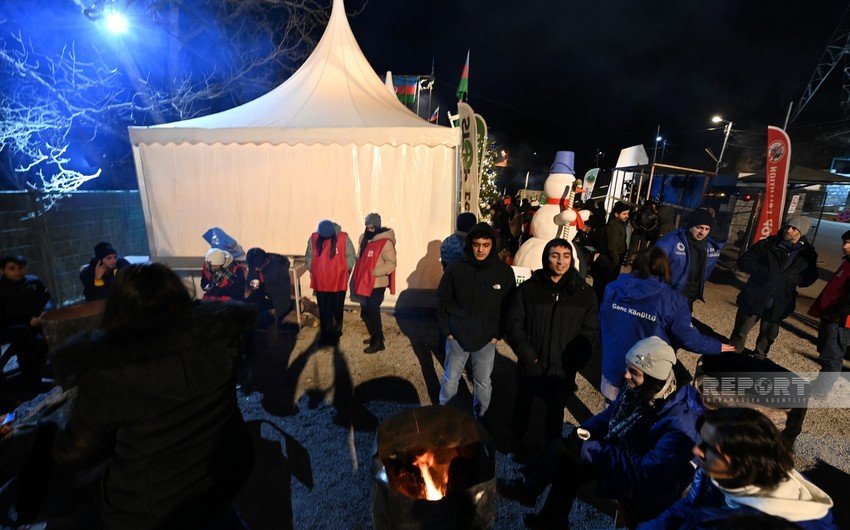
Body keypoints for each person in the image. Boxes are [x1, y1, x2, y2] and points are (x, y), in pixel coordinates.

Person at [53, 263, 256, 529]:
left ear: (119, 309)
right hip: (220, 481)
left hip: (151, 509)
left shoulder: (108, 373)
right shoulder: (219, 341)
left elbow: (75, 453)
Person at [498, 337, 704, 529]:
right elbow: (611, 414)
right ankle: (545, 512)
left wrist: (590, 449)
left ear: (653, 378)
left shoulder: (679, 422)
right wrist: (585, 431)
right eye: (628, 368)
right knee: (565, 452)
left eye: (634, 372)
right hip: (624, 453)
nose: (626, 375)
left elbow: (644, 473)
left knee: (570, 456)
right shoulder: (642, 390)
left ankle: (531, 494)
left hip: (648, 486)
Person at [641, 407, 836, 529]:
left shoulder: (780, 522)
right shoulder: (718, 472)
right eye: (702, 441)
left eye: (709, 448)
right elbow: (688, 506)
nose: (696, 450)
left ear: (744, 463)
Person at [599, 248, 734, 401]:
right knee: (642, 412)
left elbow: (602, 322)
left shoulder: (613, 287)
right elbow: (689, 339)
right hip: (645, 375)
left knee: (611, 408)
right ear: (665, 268)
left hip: (612, 368)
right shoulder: (671, 300)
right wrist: (716, 346)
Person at [506, 238, 598, 442]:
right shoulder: (528, 289)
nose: (561, 262)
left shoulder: (584, 294)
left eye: (566, 256)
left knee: (555, 413)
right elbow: (514, 325)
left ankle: (551, 449)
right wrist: (528, 356)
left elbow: (589, 331)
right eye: (555, 256)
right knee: (522, 406)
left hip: (562, 369)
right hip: (532, 363)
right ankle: (515, 444)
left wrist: (575, 360)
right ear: (546, 258)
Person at [437, 222, 515, 420]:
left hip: (486, 339)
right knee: (450, 379)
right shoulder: (456, 269)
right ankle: (446, 416)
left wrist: (498, 334)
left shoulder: (504, 272)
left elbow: (509, 307)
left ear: (492, 245)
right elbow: (442, 301)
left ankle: (480, 418)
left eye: (486, 245)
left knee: (483, 382)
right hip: (457, 336)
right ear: (470, 244)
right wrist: (448, 331)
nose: (481, 249)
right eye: (476, 244)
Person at [730, 216, 819, 359]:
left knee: (768, 336)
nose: (788, 230)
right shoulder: (768, 244)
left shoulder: (807, 254)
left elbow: (811, 275)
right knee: (740, 331)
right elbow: (744, 261)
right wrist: (764, 272)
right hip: (755, 296)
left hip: (780, 301)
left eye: (794, 228)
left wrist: (795, 279)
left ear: (801, 232)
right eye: (787, 227)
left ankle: (759, 359)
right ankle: (731, 357)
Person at [806, 230, 850, 397]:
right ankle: (820, 384)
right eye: (844, 242)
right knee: (827, 351)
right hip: (832, 316)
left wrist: (834, 314)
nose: (845, 246)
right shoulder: (847, 262)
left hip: (840, 320)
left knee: (832, 355)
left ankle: (820, 390)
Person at [654, 208, 725, 309]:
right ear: (691, 225)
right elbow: (653, 268)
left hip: (689, 298)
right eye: (699, 227)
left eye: (707, 229)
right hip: (667, 297)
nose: (702, 232)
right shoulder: (670, 241)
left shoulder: (710, 246)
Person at [0, 255, 55, 383]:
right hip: (11, 327)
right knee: (26, 338)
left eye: (20, 268)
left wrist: (45, 313)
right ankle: (33, 379)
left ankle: (49, 368)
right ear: (2, 271)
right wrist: (27, 321)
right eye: (12, 269)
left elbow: (47, 299)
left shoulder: (34, 281)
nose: (17, 272)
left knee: (44, 339)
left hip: (37, 321)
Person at [351, 213, 397, 353]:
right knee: (367, 312)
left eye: (372, 227)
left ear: (377, 226)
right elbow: (361, 258)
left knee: (373, 311)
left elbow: (391, 263)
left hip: (377, 283)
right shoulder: (365, 240)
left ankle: (378, 343)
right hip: (365, 281)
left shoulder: (385, 242)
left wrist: (374, 272)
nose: (369, 229)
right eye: (367, 227)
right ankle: (376, 336)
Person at [306, 220, 356, 345]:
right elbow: (309, 256)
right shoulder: (314, 238)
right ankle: (325, 333)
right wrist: (314, 269)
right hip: (321, 281)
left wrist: (344, 269)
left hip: (338, 280)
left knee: (337, 309)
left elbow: (351, 255)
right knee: (324, 309)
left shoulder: (343, 238)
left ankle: (336, 333)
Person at [591, 200, 629, 303]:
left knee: (603, 287)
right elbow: (612, 246)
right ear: (616, 214)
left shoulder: (619, 224)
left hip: (611, 261)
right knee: (602, 287)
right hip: (608, 261)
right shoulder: (614, 226)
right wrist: (616, 261)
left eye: (627, 213)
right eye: (624, 214)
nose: (627, 216)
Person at [245, 247, 292, 328]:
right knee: (248, 305)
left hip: (277, 293)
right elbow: (249, 279)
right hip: (260, 290)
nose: (256, 269)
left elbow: (284, 292)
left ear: (265, 262)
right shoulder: (254, 262)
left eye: (258, 267)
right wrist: (251, 284)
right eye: (254, 267)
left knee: (277, 319)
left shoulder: (278, 267)